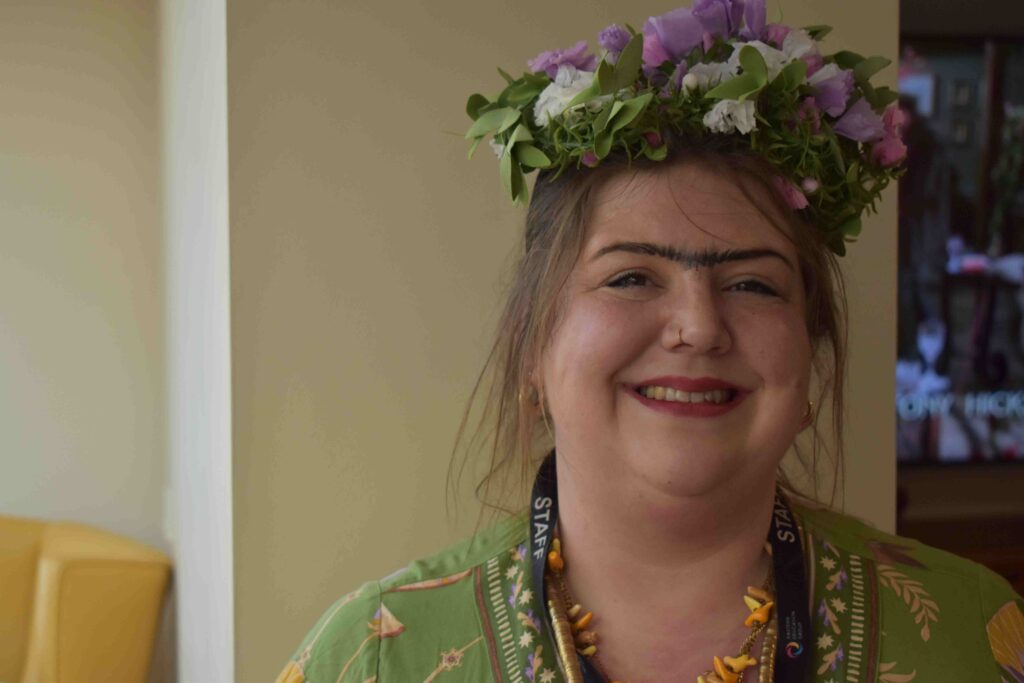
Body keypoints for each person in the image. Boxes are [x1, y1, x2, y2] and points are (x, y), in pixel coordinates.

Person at [276, 3, 1024, 682]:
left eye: (754, 283)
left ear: (809, 352)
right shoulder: (374, 655)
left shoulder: (972, 638)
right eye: (631, 277)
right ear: (534, 345)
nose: (698, 326)